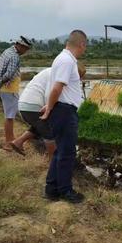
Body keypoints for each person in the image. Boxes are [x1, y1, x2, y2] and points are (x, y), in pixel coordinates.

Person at [40, 30, 87, 204]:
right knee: (67, 153)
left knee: (60, 151)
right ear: (81, 44)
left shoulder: (61, 58)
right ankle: (66, 191)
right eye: (85, 47)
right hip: (65, 112)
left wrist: (49, 105)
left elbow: (56, 89)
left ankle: (51, 189)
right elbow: (57, 88)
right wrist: (49, 109)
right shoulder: (67, 61)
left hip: (61, 109)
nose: (84, 50)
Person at [10, 63, 86, 157]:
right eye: (77, 77)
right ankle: (53, 163)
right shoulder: (57, 76)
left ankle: (18, 141)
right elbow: (50, 94)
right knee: (50, 133)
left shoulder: (54, 71)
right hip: (34, 106)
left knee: (41, 124)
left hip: (25, 105)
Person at [0, 36, 32, 149]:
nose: (25, 52)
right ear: (20, 46)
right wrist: (0, 83)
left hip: (6, 89)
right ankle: (8, 143)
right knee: (10, 117)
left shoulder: (8, 51)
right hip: (9, 89)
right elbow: (8, 74)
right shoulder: (15, 56)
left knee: (10, 115)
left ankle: (11, 139)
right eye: (25, 49)